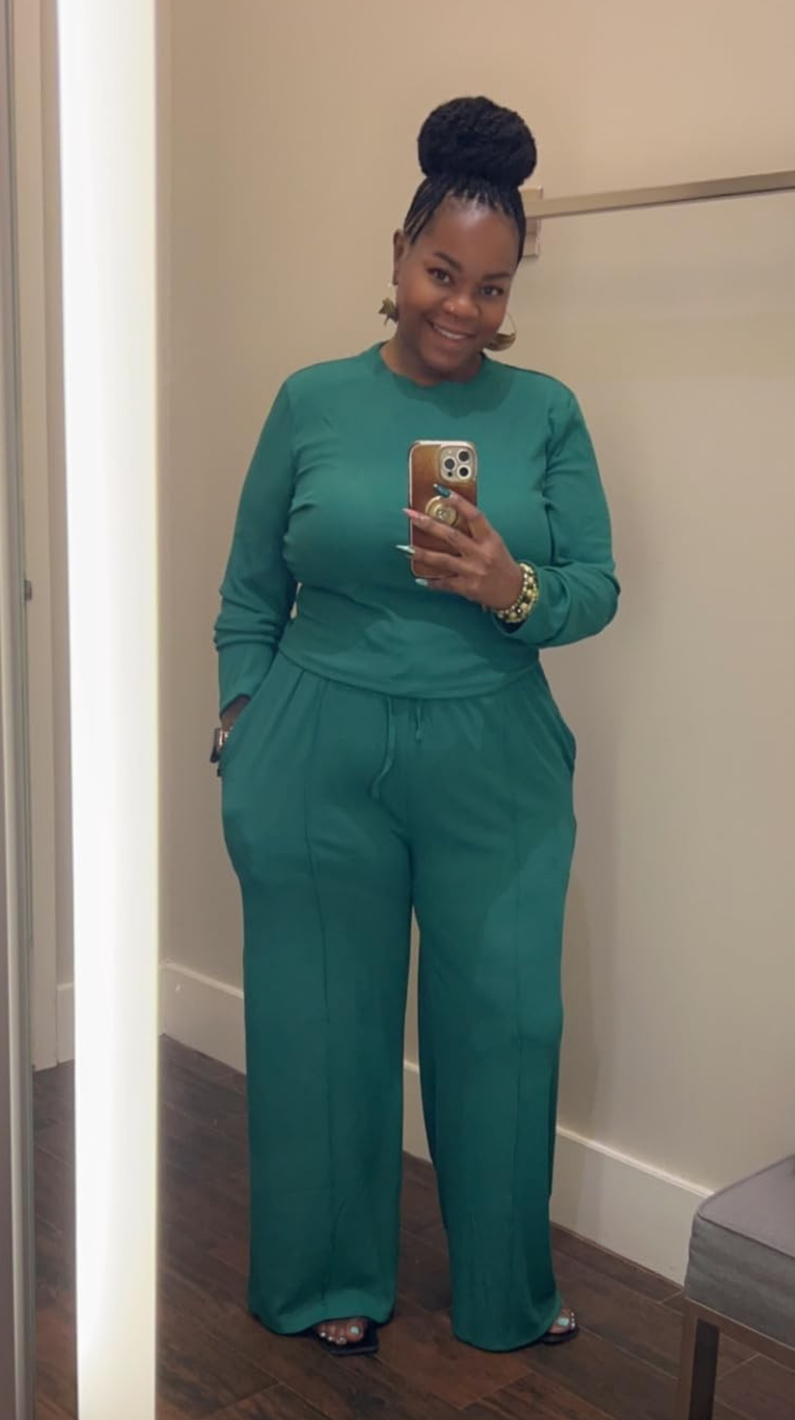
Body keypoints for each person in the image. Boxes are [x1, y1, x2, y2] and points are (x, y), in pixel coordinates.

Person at [212, 95, 619, 1357]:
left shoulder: (544, 411)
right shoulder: (312, 400)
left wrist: (511, 586)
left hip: (492, 747)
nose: (463, 308)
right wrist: (242, 716)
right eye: (443, 273)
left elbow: (596, 589)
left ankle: (506, 1291)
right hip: (313, 743)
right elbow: (248, 588)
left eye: (492, 288)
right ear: (398, 256)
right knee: (319, 1022)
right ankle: (326, 1273)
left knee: (506, 1023)